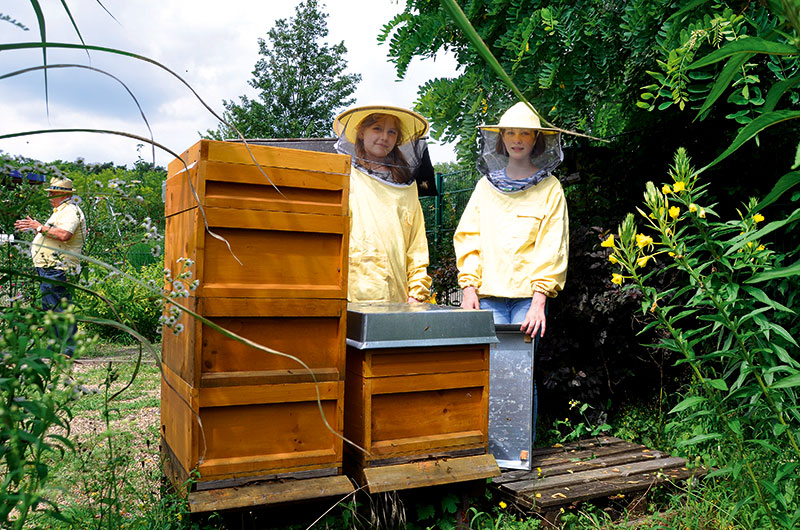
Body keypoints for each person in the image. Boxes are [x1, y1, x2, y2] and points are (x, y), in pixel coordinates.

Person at [454, 101, 569, 334]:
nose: (517, 139)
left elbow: (553, 245)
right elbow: (469, 238)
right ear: (502, 138)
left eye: (525, 133)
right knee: (487, 368)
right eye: (511, 132)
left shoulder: (550, 188)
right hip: (487, 297)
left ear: (535, 139)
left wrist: (539, 302)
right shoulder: (484, 187)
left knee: (520, 368)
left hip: (528, 301)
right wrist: (468, 289)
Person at [333, 104, 432, 303]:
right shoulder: (345, 176)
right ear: (361, 132)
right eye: (377, 128)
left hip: (399, 295)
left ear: (397, 139)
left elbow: (417, 241)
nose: (384, 137)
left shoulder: (407, 185)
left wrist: (417, 292)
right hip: (352, 291)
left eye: (391, 132)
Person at [14, 176, 87, 356]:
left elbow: (64, 234)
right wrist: (35, 227)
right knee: (51, 308)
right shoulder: (59, 211)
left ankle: (67, 348)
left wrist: (38, 227)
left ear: (61, 194)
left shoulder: (70, 210)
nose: (49, 197)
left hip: (57, 267)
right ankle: (56, 347)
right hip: (50, 266)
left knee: (59, 308)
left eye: (51, 193)